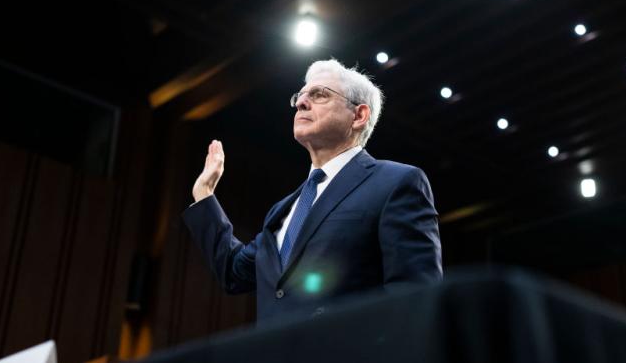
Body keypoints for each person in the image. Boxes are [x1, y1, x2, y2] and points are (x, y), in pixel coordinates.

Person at [183, 59, 442, 323]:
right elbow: (233, 272)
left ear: (359, 116)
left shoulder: (396, 183)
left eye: (319, 95)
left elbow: (414, 298)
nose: (301, 103)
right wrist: (204, 193)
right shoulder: (283, 209)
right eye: (301, 95)